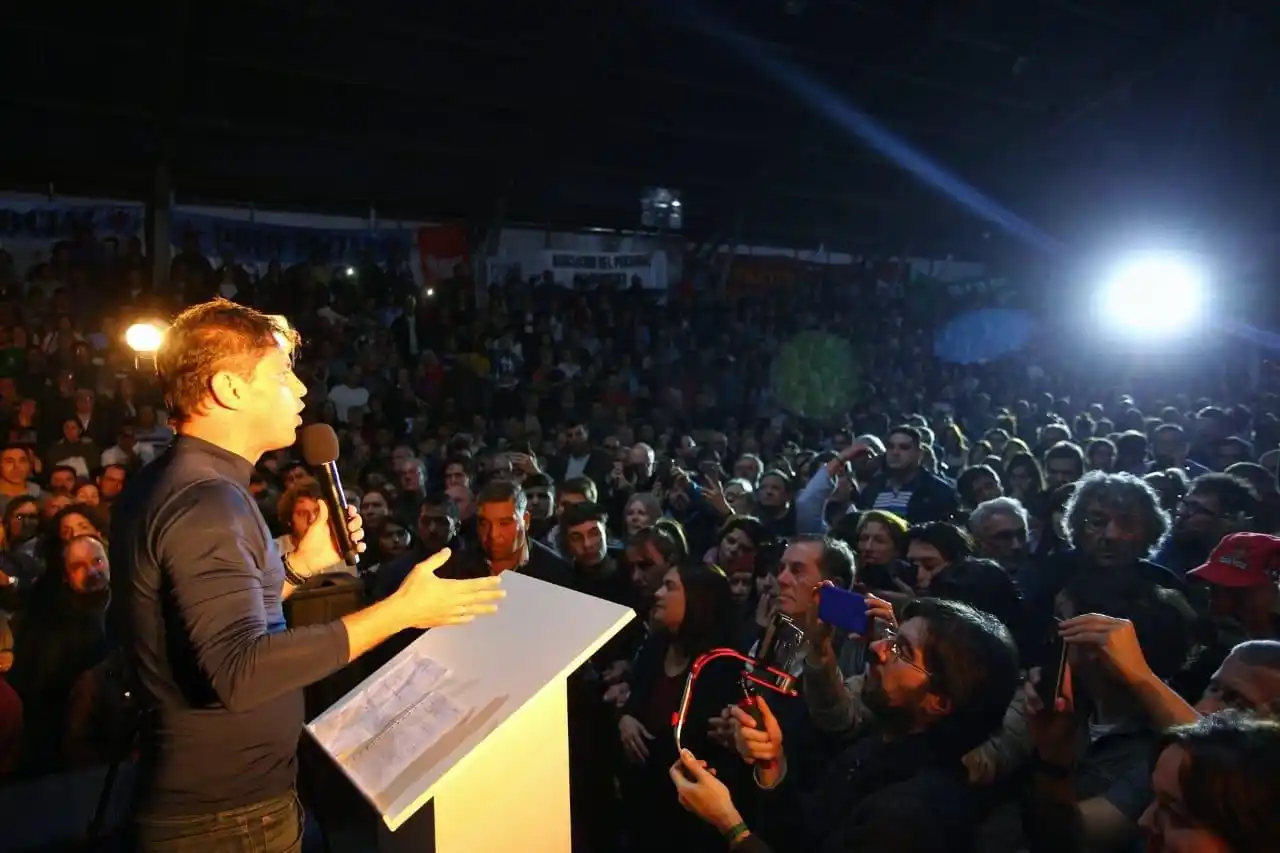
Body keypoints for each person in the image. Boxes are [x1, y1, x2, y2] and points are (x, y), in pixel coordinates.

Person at [111, 299, 505, 853]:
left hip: (223, 807)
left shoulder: (180, 483)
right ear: (230, 388)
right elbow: (239, 670)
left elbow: (201, 629)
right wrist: (403, 611)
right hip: (223, 821)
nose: (299, 392)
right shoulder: (207, 501)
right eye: (281, 375)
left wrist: (299, 567)